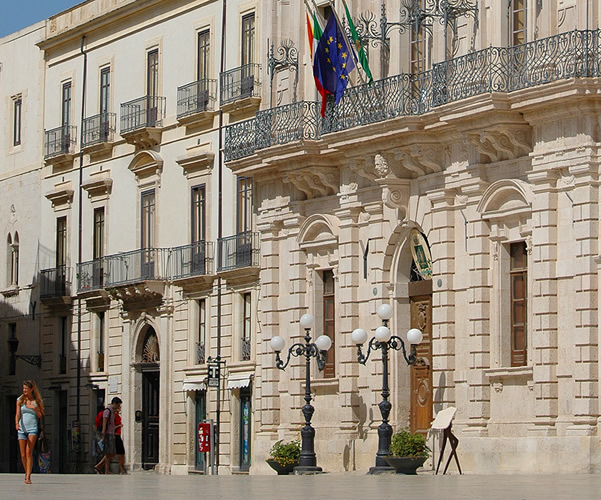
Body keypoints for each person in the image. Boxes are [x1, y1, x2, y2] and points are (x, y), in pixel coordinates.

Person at [15, 380, 45, 484]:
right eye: (23, 388)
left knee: (29, 452)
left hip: (32, 429)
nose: (24, 391)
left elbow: (41, 415)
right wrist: (16, 423)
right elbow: (18, 414)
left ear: (32, 389)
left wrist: (35, 408)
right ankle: (26, 471)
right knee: (23, 454)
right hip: (22, 429)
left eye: (26, 389)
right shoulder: (20, 400)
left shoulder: (37, 401)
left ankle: (28, 476)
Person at [94, 397, 121, 474]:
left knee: (110, 452)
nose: (119, 407)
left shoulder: (112, 411)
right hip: (108, 434)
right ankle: (105, 469)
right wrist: (103, 434)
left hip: (111, 433)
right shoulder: (107, 411)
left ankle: (99, 466)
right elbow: (104, 423)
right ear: (114, 403)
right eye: (118, 405)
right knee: (109, 452)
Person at [114, 407, 127, 474]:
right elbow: (112, 427)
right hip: (115, 436)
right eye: (119, 407)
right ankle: (121, 469)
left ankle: (99, 466)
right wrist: (119, 426)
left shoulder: (117, 416)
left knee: (112, 454)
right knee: (121, 452)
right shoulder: (114, 416)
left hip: (118, 435)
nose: (120, 408)